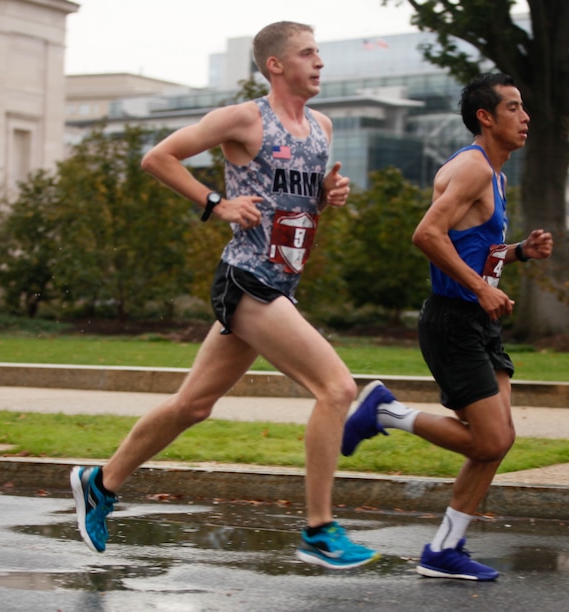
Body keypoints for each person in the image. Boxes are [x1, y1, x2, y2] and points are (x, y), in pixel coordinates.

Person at [69, 21, 379, 570]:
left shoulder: (320, 127)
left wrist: (328, 195)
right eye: (308, 54)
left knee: (194, 404)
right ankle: (318, 528)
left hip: (280, 280)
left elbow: (299, 202)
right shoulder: (244, 118)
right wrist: (216, 203)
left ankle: (102, 481)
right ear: (276, 65)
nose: (319, 63)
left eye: (319, 54)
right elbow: (158, 157)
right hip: (246, 277)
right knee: (337, 388)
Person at [340, 72, 553, 581]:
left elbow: (469, 244)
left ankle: (445, 548)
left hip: (478, 322)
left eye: (524, 108)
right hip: (454, 321)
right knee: (489, 440)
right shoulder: (474, 170)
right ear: (486, 116)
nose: (525, 118)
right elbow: (428, 234)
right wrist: (481, 289)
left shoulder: (494, 176)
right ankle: (385, 412)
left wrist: (519, 252)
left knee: (497, 441)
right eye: (514, 108)